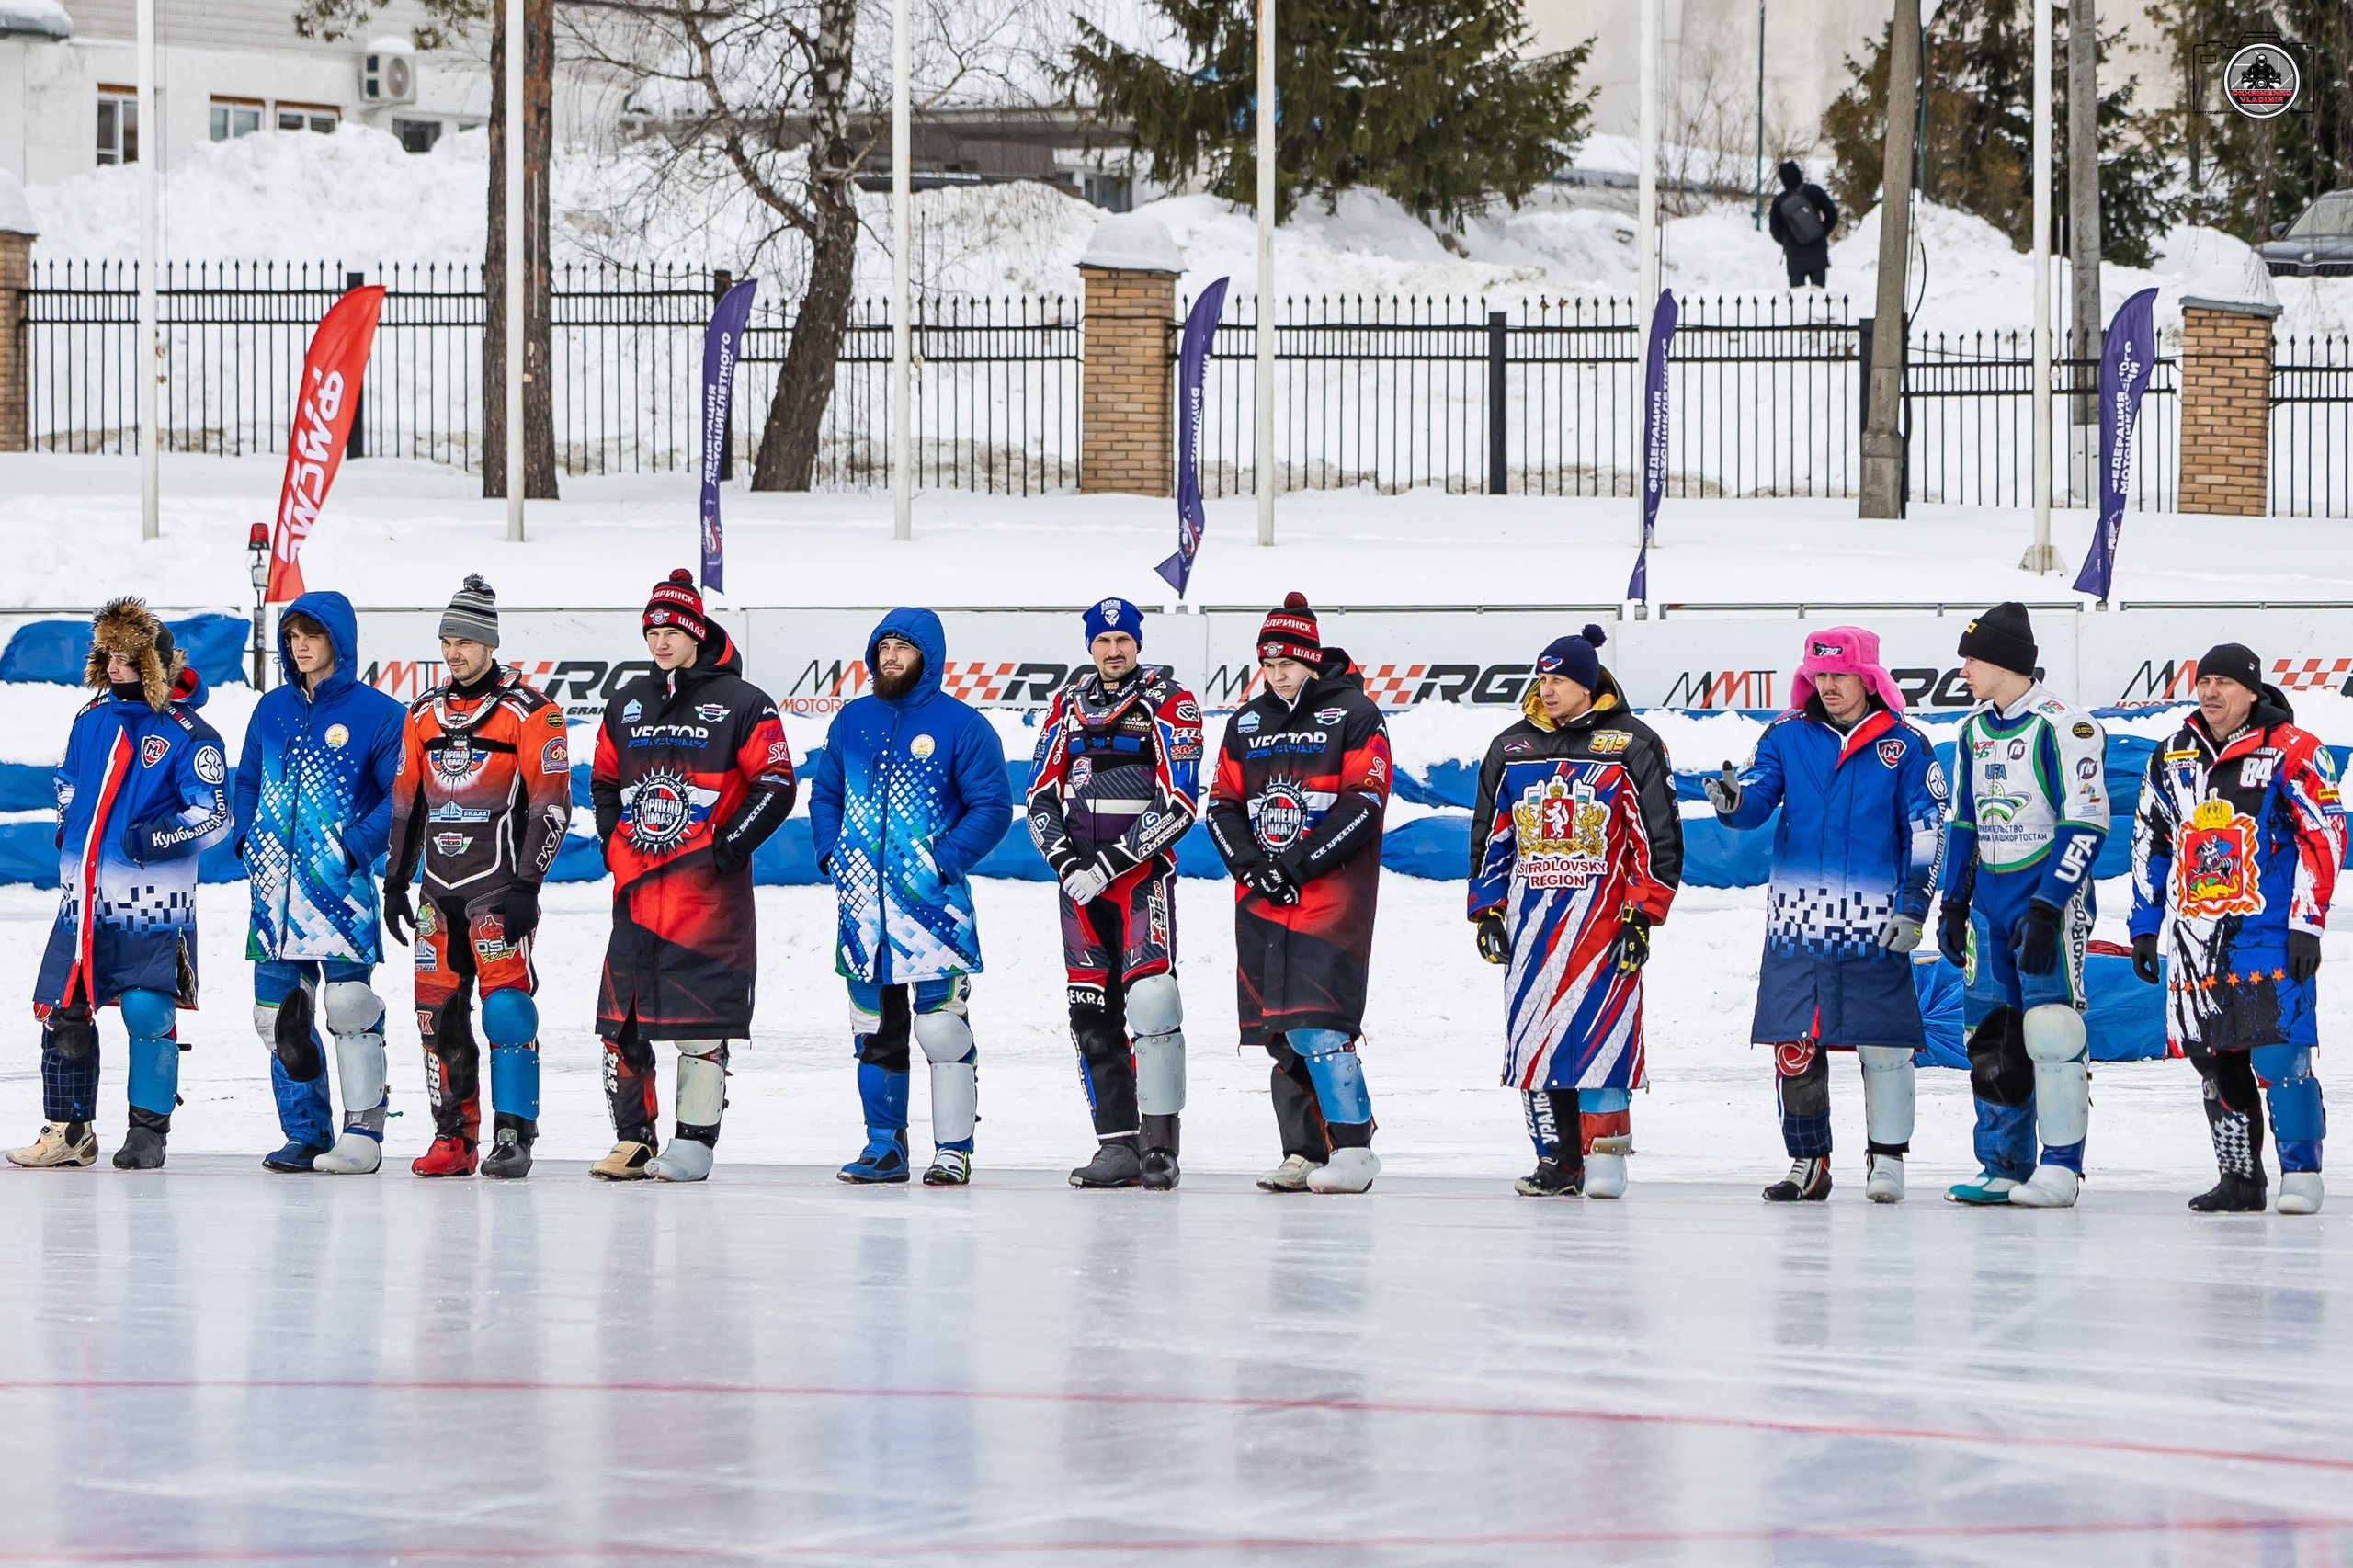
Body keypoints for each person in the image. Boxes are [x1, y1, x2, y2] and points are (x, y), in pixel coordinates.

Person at [1705, 627, 1943, 1204]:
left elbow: (1927, 832)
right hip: (1799, 924)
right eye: (1819, 674)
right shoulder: (1786, 735)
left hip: (1875, 922)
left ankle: (1887, 1161)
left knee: (1884, 1044)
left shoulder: (1906, 745)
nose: (1828, 684)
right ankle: (1807, 1161)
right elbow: (1758, 798)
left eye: (1840, 674)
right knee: (1797, 1042)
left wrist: (1914, 908)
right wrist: (1735, 802)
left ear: (1869, 678)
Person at [7, 600, 233, 1171]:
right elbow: (68, 780)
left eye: (127, 657)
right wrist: (69, 822)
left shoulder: (189, 734)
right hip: (81, 900)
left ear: (152, 663)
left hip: (150, 903)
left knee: (145, 1010)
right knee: (66, 1010)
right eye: (106, 655)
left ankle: (148, 1130)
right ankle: (69, 1130)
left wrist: (150, 841)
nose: (113, 666)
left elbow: (214, 814)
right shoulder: (91, 719)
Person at [590, 571, 797, 1182]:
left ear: (696, 631)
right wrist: (611, 840)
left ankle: (694, 1142)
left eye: (671, 629)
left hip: (706, 897)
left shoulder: (743, 701)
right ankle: (633, 1140)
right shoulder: (626, 699)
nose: (660, 639)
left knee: (698, 1025)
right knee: (619, 1023)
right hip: (634, 892)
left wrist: (729, 847)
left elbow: (777, 783)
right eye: (651, 629)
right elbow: (602, 779)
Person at [2129, 643, 2344, 1215]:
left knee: (2279, 1055)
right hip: (2197, 937)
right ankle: (2240, 1180)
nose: (2211, 692)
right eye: (2204, 681)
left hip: (2271, 931)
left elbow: (2323, 836)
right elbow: (2150, 839)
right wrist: (2146, 924)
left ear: (2252, 690)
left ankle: (2302, 1172)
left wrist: (2307, 923)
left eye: (2224, 681)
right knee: (2215, 1057)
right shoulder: (2172, 752)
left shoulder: (2294, 751)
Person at [1468, 625, 1681, 1199]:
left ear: (1588, 685)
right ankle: (1558, 1163)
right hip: (1534, 927)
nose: (1549, 689)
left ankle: (1606, 1157)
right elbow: (1492, 836)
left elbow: (1657, 843)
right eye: (1543, 678)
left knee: (1603, 1040)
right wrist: (1488, 912)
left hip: (1605, 926)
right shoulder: (1511, 748)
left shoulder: (1633, 745)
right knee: (1535, 1042)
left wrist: (1642, 918)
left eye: (1560, 679)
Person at [810, 608, 1012, 1187]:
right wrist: (834, 853)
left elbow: (993, 809)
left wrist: (938, 861)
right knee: (872, 1027)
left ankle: (952, 1150)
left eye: (903, 647)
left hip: (931, 912)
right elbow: (825, 794)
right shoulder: (852, 721)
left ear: (929, 656)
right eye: (883, 647)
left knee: (941, 1030)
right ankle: (884, 1146)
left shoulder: (963, 726)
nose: (891, 657)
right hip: (862, 916)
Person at [381, 575, 571, 1180]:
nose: (455, 652)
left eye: (465, 640)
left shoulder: (532, 712)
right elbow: (407, 806)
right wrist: (394, 882)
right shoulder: (422, 714)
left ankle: (513, 1135)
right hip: (438, 893)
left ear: (491, 644)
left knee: (507, 1012)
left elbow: (552, 807)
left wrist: (527, 887)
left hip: (499, 891)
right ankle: (452, 1136)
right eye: (447, 641)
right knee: (436, 1014)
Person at [1205, 594, 1394, 1195]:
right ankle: (1303, 1153)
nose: (1277, 671)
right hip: (1262, 900)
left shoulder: (1355, 713)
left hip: (1329, 901)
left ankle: (1356, 1148)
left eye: (1287, 661)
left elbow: (1365, 802)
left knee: (1322, 1027)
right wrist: (1251, 866)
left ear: (1311, 660)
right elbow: (1222, 804)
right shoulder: (1247, 721)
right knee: (1280, 1034)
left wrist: (1297, 864)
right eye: (1268, 661)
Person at [1026, 597, 1204, 1190]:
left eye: (1122, 640)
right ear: (1089, 647)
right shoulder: (1065, 706)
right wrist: (1065, 861)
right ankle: (1117, 1145)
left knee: (1153, 1004)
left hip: (1138, 880)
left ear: (1138, 643)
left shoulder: (1171, 704)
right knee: (1089, 1015)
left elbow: (1179, 803)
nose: (1112, 651)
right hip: (1077, 886)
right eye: (1102, 642)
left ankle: (1160, 1148)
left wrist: (1108, 865)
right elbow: (1039, 797)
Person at [1935, 603, 2108, 1209]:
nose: (1963, 670)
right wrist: (1953, 904)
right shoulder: (1971, 731)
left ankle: (2062, 1167)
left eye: (1972, 659)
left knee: (2054, 1030)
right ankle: (2003, 1164)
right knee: (1990, 1035)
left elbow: (2085, 823)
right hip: (1988, 906)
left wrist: (2047, 907)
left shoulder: (2067, 726)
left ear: (2004, 663)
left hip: (2047, 905)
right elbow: (1961, 821)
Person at [233, 590, 407, 1175]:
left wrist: (350, 847)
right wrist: (247, 839)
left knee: (349, 1006)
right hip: (273, 891)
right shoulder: (270, 709)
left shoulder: (379, 714)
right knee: (278, 1015)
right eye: (291, 636)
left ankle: (363, 1133)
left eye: (311, 635)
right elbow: (248, 783)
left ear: (339, 640)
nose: (299, 646)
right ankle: (305, 1133)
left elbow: (401, 799)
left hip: (337, 890)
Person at [1768, 161, 1838, 289]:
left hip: (1795, 256)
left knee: (1797, 301)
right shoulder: (1814, 191)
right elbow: (1832, 215)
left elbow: (1774, 229)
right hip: (1818, 254)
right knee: (1819, 297)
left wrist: (1787, 241)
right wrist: (1821, 233)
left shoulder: (1779, 201)